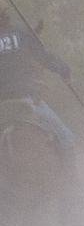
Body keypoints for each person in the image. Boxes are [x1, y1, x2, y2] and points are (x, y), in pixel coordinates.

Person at [0, 9, 75, 154]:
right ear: (6, 15)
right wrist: (64, 70)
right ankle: (71, 175)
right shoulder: (21, 32)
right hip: (25, 100)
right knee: (66, 136)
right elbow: (44, 57)